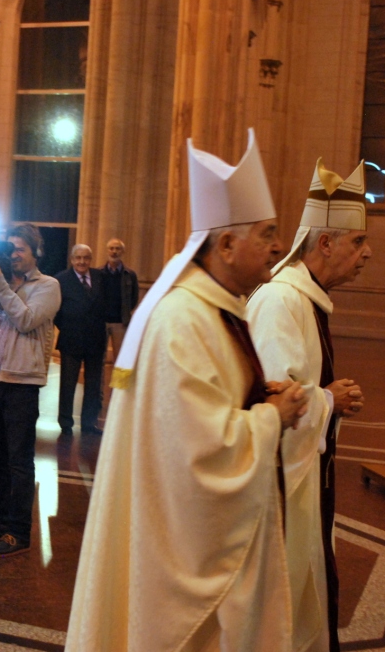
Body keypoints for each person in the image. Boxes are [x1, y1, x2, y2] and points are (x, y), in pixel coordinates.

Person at [66, 130, 308, 651]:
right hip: (179, 546)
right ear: (225, 245)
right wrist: (273, 415)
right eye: (267, 233)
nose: (277, 247)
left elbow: (207, 406)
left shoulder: (216, 309)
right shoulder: (183, 319)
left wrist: (255, 394)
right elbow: (199, 452)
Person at [248, 158, 371, 652]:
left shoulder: (306, 300)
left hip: (307, 482)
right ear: (325, 243)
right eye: (358, 241)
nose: (367, 253)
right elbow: (274, 402)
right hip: (279, 491)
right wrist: (328, 400)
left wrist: (328, 399)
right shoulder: (282, 302)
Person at [0, 223, 60, 558]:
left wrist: (0, 284)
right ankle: (0, 522)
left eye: (20, 249)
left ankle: (18, 532)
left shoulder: (48, 286)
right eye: (10, 248)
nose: (13, 254)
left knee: (19, 461)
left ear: (36, 253)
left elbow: (26, 320)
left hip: (19, 386)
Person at [54, 244, 107, 435]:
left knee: (93, 385)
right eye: (78, 258)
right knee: (68, 384)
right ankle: (65, 422)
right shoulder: (61, 280)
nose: (82, 262)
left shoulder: (100, 277)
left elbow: (106, 304)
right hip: (71, 339)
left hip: (96, 339)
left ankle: (89, 423)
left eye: (85, 258)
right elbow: (56, 311)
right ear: (72, 259)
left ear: (90, 260)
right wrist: (69, 326)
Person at [98, 238, 139, 361]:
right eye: (111, 248)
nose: (114, 251)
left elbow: (134, 297)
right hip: (101, 322)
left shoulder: (130, 274)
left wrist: (125, 311)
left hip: (121, 323)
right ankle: (100, 381)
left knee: (120, 359)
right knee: (99, 358)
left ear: (123, 252)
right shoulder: (98, 273)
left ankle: (117, 381)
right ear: (107, 251)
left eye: (117, 248)